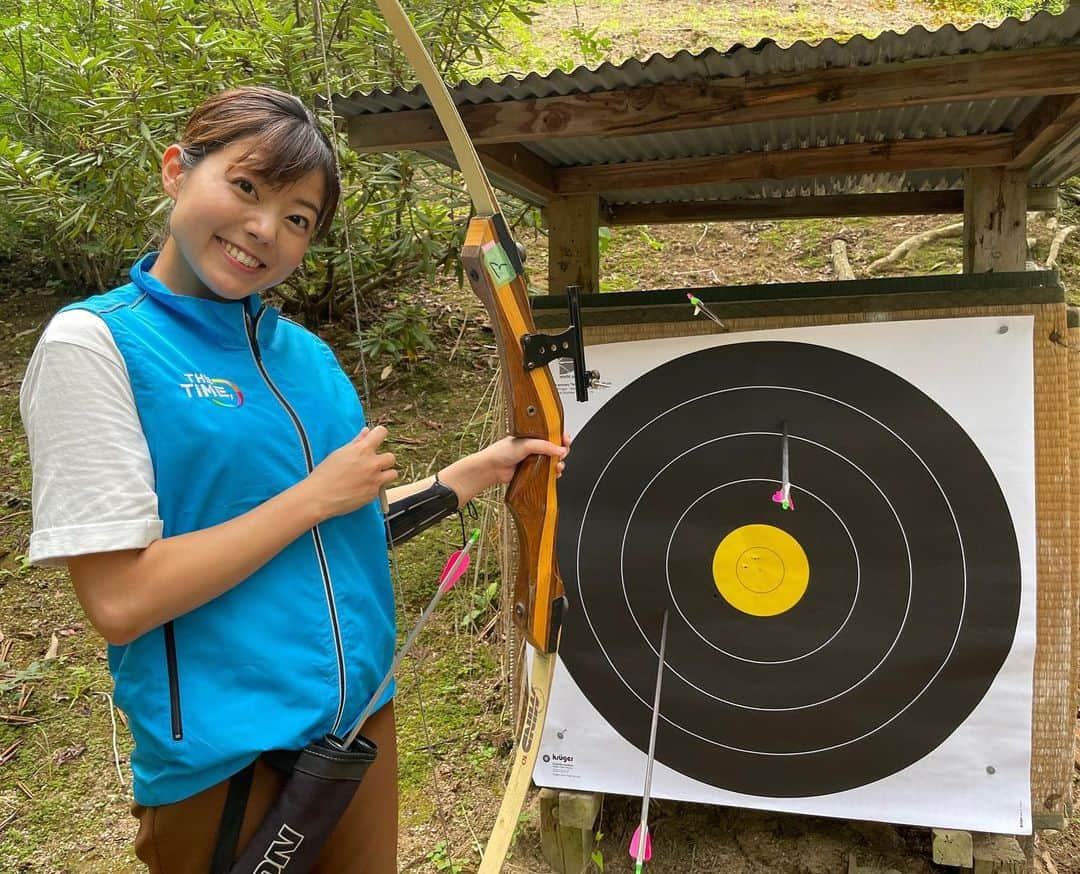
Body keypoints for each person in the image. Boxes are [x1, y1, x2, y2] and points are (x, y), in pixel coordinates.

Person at [18, 86, 568, 873]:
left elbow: (339, 531)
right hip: (230, 755)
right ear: (177, 169)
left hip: (358, 729)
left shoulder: (305, 357)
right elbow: (120, 601)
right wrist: (316, 495)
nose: (264, 229)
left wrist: (465, 477)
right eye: (246, 187)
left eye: (299, 218)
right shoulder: (95, 344)